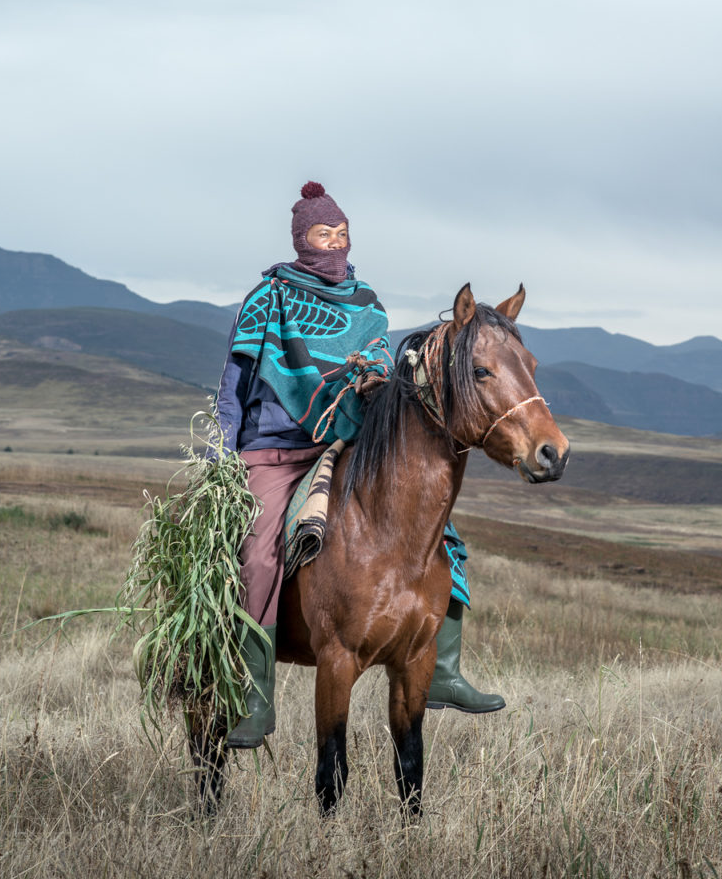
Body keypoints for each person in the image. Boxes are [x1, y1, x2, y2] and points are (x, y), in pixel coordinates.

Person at [214, 181, 504, 750]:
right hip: (277, 446)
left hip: (350, 437)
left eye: (343, 234)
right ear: (302, 238)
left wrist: (374, 381)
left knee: (439, 534)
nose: (336, 243)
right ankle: (254, 692)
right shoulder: (267, 298)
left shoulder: (366, 300)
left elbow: (376, 358)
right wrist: (223, 449)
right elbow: (236, 379)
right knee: (260, 547)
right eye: (325, 234)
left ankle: (443, 670)